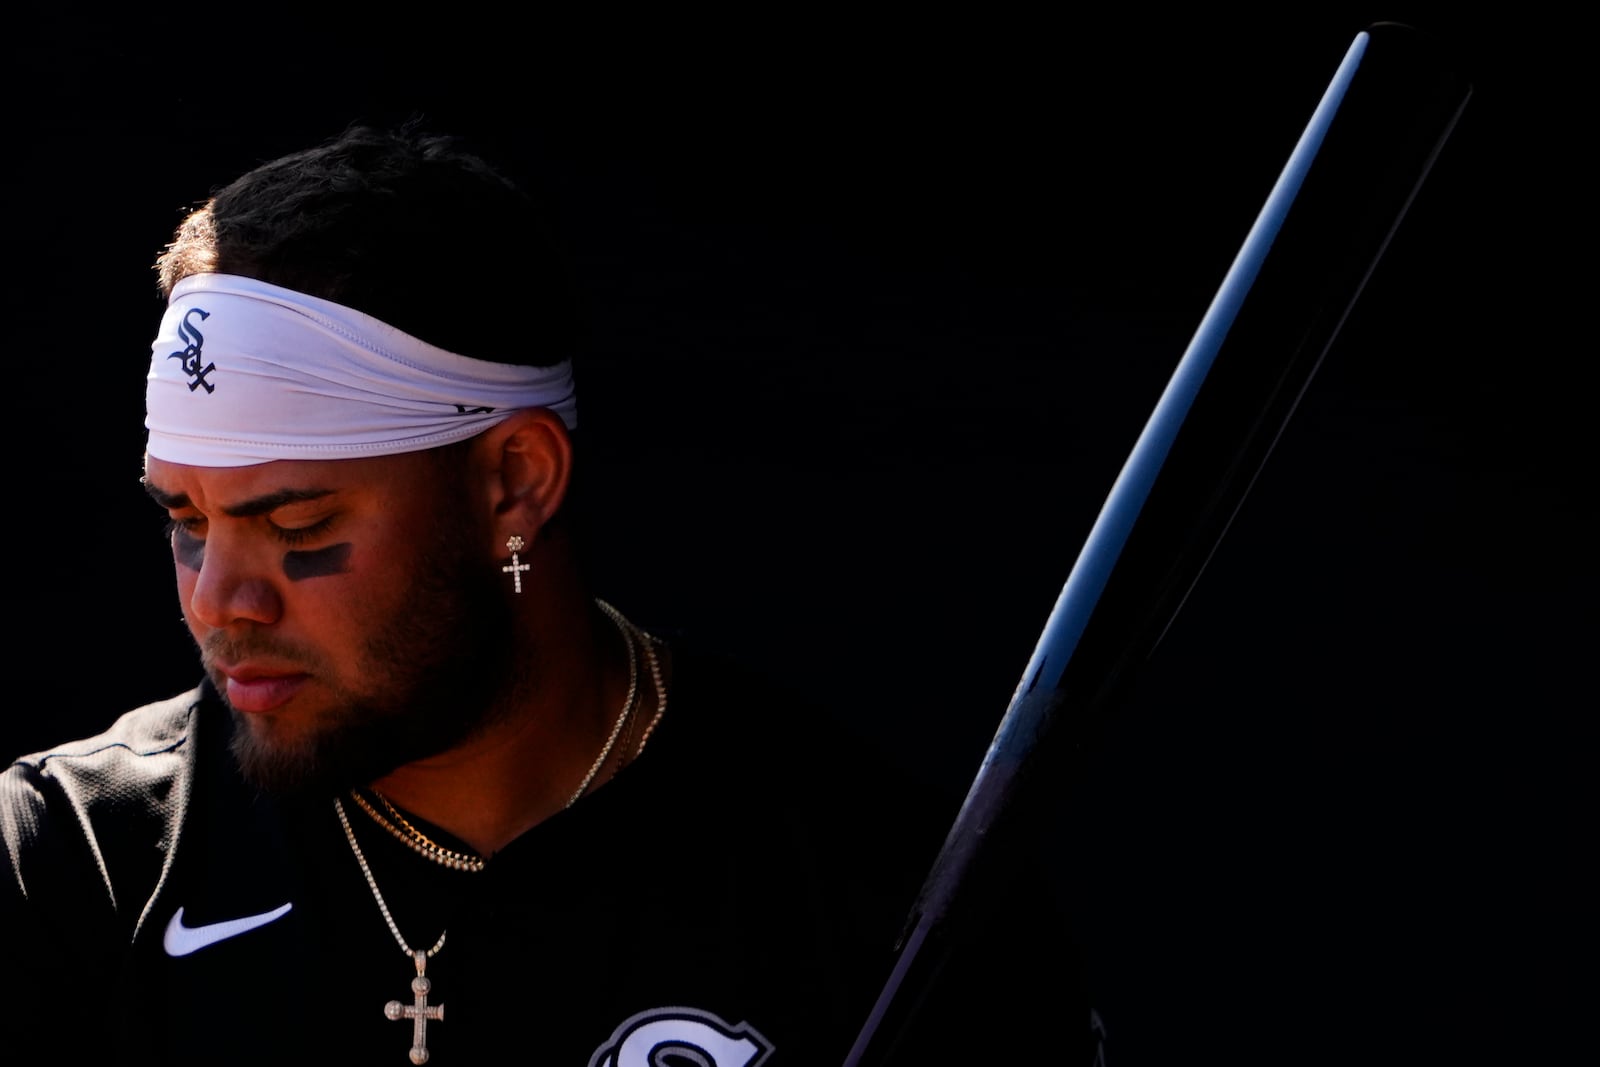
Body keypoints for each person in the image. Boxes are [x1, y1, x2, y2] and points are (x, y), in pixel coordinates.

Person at [1, 122, 1100, 1065]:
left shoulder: (865, 891)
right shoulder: (77, 860)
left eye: (299, 525)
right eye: (185, 522)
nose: (220, 601)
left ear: (513, 482)